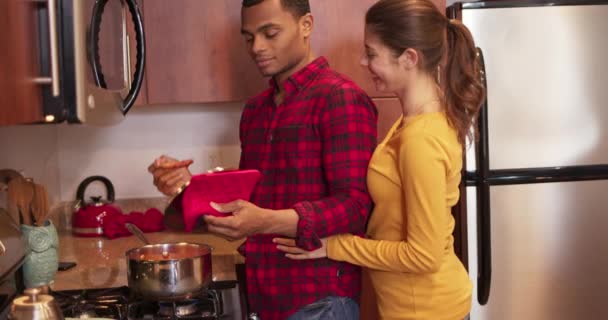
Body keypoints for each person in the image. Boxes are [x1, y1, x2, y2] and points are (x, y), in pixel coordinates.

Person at [148, 0, 378, 319]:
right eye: (249, 37)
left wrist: (266, 221)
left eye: (270, 33)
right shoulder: (256, 111)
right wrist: (184, 188)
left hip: (321, 300)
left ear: (306, 25)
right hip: (265, 297)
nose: (257, 47)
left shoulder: (340, 98)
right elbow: (247, 206)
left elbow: (356, 207)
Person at [274, 0, 486, 319]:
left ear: (409, 59)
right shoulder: (414, 121)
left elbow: (423, 255)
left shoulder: (421, 139)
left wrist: (336, 245)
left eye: (371, 53)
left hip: (425, 310)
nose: (362, 61)